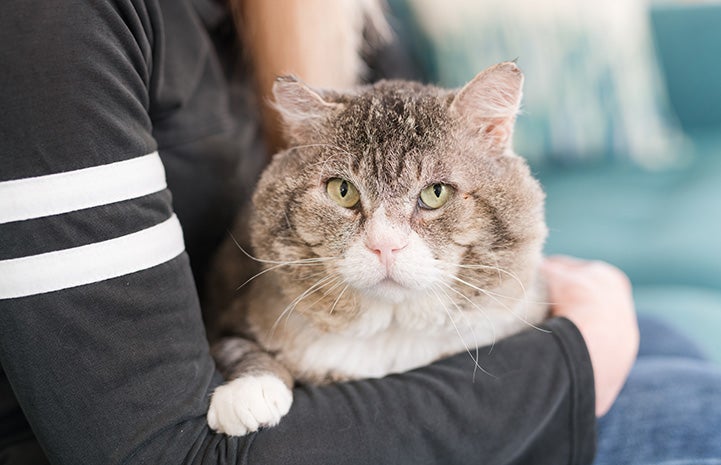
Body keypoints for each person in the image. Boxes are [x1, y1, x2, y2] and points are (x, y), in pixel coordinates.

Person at [1, 1, 719, 464]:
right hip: (252, 419)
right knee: (703, 411)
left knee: (670, 341)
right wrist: (578, 358)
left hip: (385, 340)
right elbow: (161, 450)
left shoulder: (315, 17)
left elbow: (423, 134)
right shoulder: (52, 29)